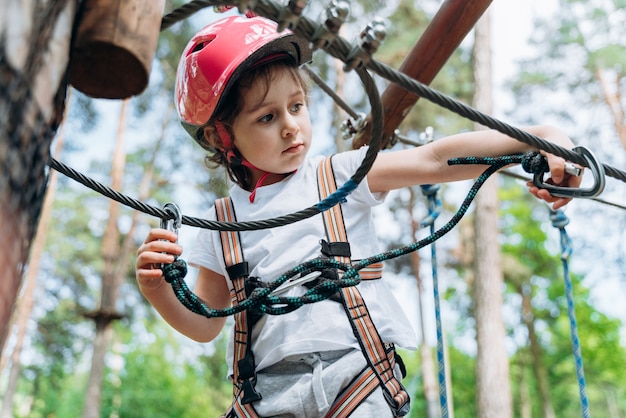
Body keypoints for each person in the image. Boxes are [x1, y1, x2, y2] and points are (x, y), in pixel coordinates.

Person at [136, 15, 581, 417]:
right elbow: (207, 323)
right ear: (222, 136)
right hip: (267, 398)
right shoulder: (223, 224)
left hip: (356, 378)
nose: (292, 126)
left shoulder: (338, 177)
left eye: (297, 106)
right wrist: (158, 291)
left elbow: (434, 159)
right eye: (267, 117)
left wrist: (538, 138)